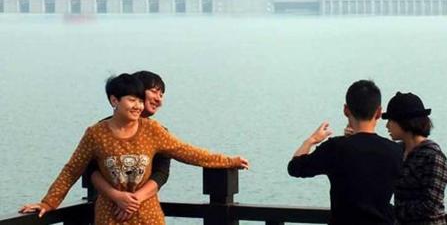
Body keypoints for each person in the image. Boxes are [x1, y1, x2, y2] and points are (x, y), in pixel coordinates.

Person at [19, 73, 249, 225]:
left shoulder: (153, 130)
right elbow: (73, 169)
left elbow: (187, 152)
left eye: (141, 100)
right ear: (114, 101)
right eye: (132, 99)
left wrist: (228, 161)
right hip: (110, 216)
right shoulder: (96, 133)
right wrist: (48, 203)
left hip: (148, 215)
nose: (138, 105)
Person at [288, 80, 403, 225]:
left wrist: (311, 140)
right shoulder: (395, 151)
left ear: (346, 110)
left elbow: (295, 167)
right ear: (379, 112)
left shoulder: (335, 148)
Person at [87, 70, 169, 221]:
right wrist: (116, 196)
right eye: (154, 92)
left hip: (147, 213)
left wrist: (133, 200)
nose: (159, 100)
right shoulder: (99, 131)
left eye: (162, 95)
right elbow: (86, 169)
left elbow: (161, 172)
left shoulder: (158, 132)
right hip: (109, 213)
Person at [382, 92, 447, 225]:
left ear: (404, 122)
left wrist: (393, 211)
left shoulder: (433, 156)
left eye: (391, 120)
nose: (387, 126)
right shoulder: (397, 151)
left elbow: (430, 204)